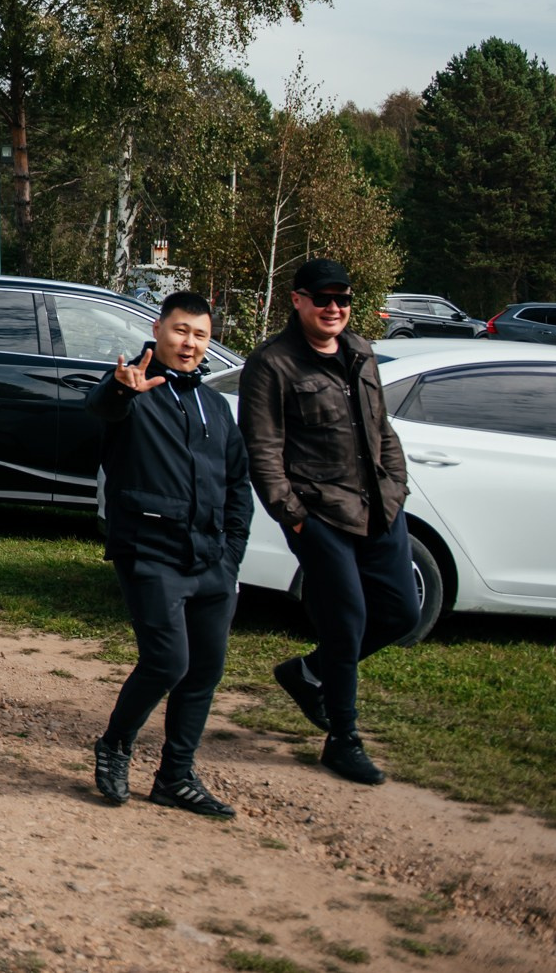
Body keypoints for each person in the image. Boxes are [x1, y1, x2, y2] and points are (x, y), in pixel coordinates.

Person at [242, 258, 417, 788]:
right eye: (323, 299)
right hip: (320, 515)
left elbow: (381, 428)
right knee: (346, 623)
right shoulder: (272, 364)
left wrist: (397, 484)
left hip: (380, 508)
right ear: (298, 300)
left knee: (401, 613)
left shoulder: (361, 350)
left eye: (343, 299)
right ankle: (343, 739)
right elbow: (263, 451)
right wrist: (295, 519)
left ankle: (308, 672)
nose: (334, 308)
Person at [87, 292, 247, 816]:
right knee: (167, 662)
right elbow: (101, 409)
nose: (189, 343)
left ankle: (175, 777)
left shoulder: (215, 406)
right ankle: (115, 744)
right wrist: (120, 388)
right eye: (181, 330)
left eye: (200, 335)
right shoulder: (134, 387)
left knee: (204, 670)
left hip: (211, 559)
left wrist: (232, 554)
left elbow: (237, 483)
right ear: (158, 330)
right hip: (150, 551)